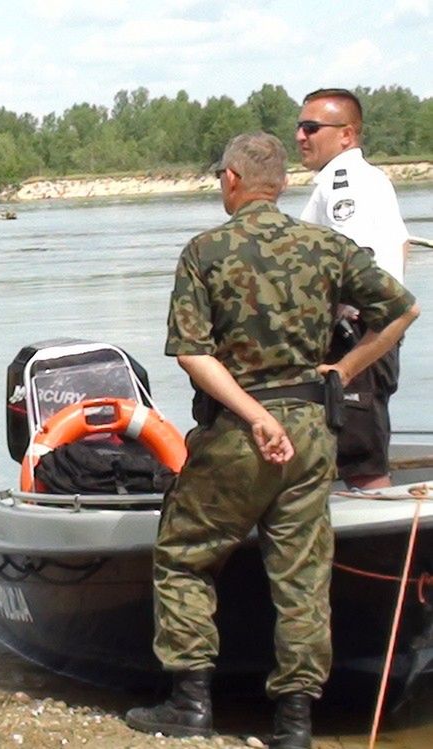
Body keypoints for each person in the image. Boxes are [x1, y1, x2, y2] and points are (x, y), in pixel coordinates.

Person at [124, 132, 418, 749]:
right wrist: (344, 368)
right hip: (313, 432)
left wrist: (253, 414)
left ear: (231, 180)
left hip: (238, 432)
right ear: (281, 183)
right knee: (303, 576)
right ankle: (295, 725)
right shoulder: (326, 246)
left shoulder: (207, 251)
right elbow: (402, 309)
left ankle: (190, 704)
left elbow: (193, 355)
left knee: (184, 555)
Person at [297, 87, 412, 489]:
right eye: (299, 127)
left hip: (356, 335)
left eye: (311, 127)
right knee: (353, 446)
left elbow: (352, 260)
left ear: (347, 135)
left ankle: (380, 547)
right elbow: (400, 248)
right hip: (370, 334)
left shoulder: (344, 183)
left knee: (360, 458)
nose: (300, 136)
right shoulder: (368, 179)